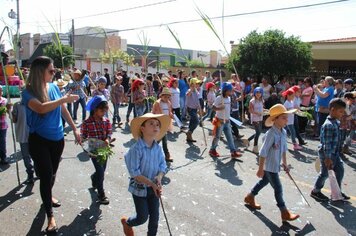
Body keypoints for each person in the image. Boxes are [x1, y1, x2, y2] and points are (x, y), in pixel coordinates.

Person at [22, 56, 80, 233]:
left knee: (52, 174)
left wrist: (74, 128)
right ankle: (50, 216)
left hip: (58, 139)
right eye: (51, 70)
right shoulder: (28, 91)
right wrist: (63, 100)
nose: (54, 73)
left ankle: (48, 194)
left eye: (54, 70)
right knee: (46, 175)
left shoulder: (54, 87)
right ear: (40, 71)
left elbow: (62, 110)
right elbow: (40, 108)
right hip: (39, 140)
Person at [244, 104, 300, 222]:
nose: (287, 120)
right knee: (278, 188)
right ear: (275, 119)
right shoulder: (271, 134)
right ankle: (284, 212)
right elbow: (263, 152)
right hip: (269, 166)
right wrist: (260, 169)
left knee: (264, 181)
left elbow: (284, 149)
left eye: (287, 117)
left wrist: (285, 163)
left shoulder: (283, 132)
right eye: (283, 118)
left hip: (275, 165)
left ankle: (250, 196)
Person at [121, 113, 170, 236]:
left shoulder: (158, 148)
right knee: (142, 217)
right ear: (142, 128)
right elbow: (135, 173)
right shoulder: (136, 149)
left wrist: (159, 177)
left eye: (157, 124)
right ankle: (128, 223)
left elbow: (163, 165)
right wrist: (151, 183)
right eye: (151, 123)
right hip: (139, 189)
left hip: (154, 189)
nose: (155, 126)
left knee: (154, 218)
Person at [310, 98, 350, 201]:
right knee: (324, 174)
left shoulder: (335, 121)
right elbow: (326, 144)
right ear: (332, 109)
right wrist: (328, 158)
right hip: (327, 154)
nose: (342, 114)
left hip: (335, 153)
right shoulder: (328, 125)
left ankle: (337, 191)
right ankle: (316, 191)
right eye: (340, 111)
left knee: (339, 171)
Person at [81, 95, 112, 204]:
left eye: (105, 110)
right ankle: (101, 194)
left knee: (101, 171)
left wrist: (108, 139)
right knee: (101, 172)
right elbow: (83, 136)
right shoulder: (87, 123)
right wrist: (82, 141)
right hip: (94, 151)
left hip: (104, 150)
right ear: (95, 110)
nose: (103, 112)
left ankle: (94, 178)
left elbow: (109, 133)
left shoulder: (106, 121)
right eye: (101, 110)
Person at [209, 82, 242, 159]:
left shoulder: (229, 98)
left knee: (230, 137)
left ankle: (233, 151)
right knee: (217, 137)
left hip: (227, 121)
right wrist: (219, 108)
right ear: (225, 90)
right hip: (219, 121)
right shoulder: (219, 98)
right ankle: (212, 149)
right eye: (230, 90)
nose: (231, 92)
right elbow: (213, 107)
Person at [12, 97, 37, 182]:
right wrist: (10, 112)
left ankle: (38, 171)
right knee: (26, 156)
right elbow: (14, 120)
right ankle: (30, 173)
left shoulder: (36, 103)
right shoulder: (17, 105)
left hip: (35, 134)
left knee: (37, 155)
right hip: (23, 134)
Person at [152, 87, 174, 162]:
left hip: (165, 123)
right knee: (161, 139)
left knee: (161, 139)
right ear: (161, 96)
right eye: (165, 96)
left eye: (168, 97)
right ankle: (166, 154)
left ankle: (153, 152)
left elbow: (169, 112)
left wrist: (171, 114)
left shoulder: (168, 103)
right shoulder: (157, 103)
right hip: (158, 123)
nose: (167, 98)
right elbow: (153, 112)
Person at [243, 87, 264, 153]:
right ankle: (255, 147)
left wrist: (266, 111)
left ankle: (247, 140)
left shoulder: (262, 100)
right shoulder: (252, 101)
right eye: (257, 92)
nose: (258, 94)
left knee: (259, 132)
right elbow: (250, 110)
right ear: (254, 93)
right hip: (255, 118)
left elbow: (262, 108)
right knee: (258, 132)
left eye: (260, 92)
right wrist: (258, 113)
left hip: (260, 117)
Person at [185, 78, 202, 142]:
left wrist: (199, 108)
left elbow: (197, 101)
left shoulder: (197, 91)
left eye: (198, 84)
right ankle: (189, 132)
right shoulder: (190, 90)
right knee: (197, 121)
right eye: (196, 83)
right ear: (192, 84)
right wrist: (192, 89)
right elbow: (187, 95)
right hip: (190, 109)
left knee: (192, 122)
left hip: (195, 109)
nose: (198, 85)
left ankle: (189, 137)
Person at [0, 86, 12, 165]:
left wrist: (9, 110)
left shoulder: (4, 100)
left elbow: (8, 112)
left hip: (3, 125)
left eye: (0, 90)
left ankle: (3, 157)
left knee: (2, 142)